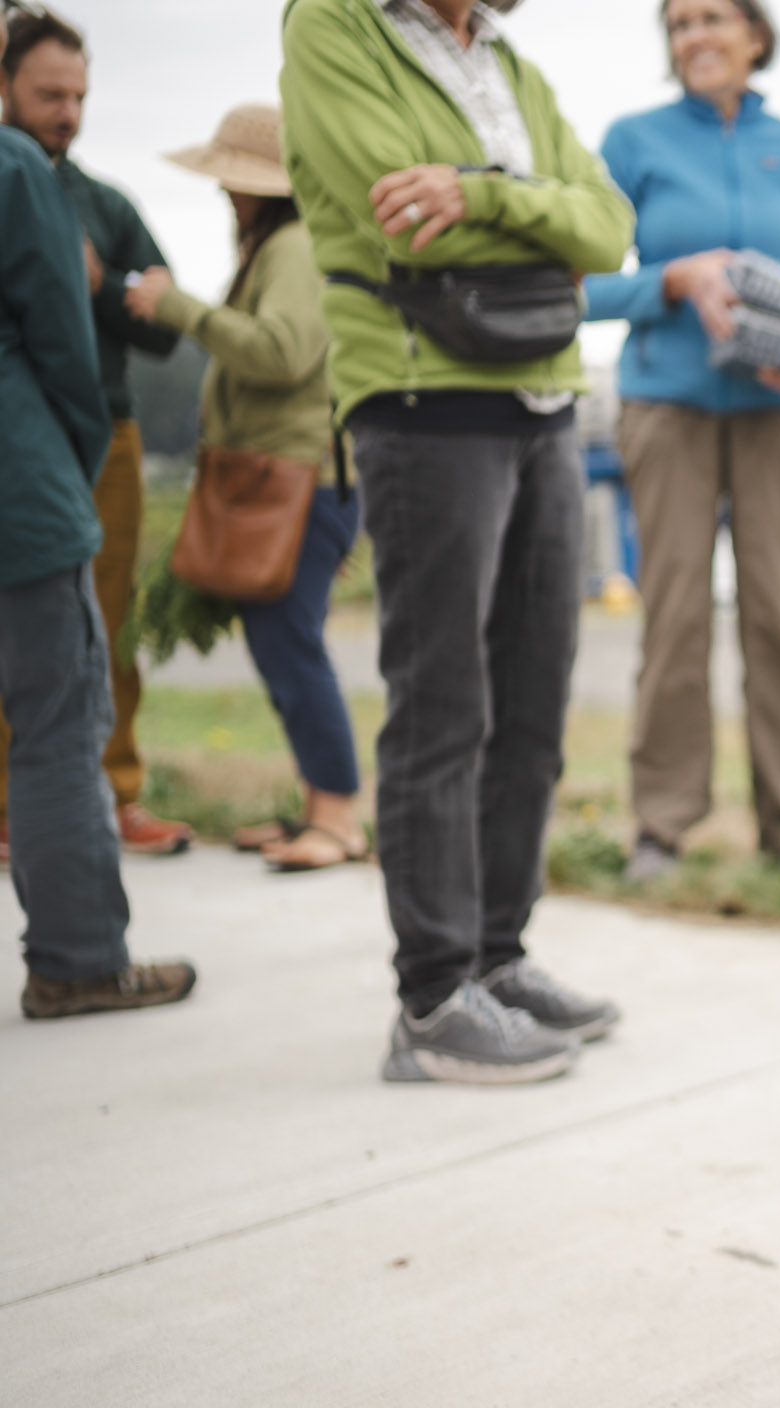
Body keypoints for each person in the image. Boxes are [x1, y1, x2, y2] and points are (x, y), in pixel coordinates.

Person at [281, 0, 632, 1082]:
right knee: (443, 703)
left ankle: (496, 955)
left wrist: (477, 193)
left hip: (543, 398)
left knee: (531, 703)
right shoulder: (334, 25)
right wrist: (544, 225)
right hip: (423, 397)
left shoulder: (506, 58)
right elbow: (401, 222)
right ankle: (434, 1002)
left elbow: (609, 228)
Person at [585, 0, 780, 879]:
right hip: (667, 410)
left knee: (778, 616)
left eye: (713, 17)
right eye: (680, 22)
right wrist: (673, 278)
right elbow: (581, 285)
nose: (695, 35)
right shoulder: (633, 142)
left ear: (754, 35)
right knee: (676, 618)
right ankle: (662, 825)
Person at [0, 16, 196, 1021]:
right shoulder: (17, 173)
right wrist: (62, 468)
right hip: (26, 476)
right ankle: (77, 957)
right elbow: (65, 350)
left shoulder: (106, 201)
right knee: (59, 716)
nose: (67, 113)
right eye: (48, 93)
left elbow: (150, 311)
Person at [122, 104, 368, 874]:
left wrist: (177, 308)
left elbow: (282, 352)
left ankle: (337, 818)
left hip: (295, 483)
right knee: (282, 645)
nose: (225, 194)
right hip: (295, 481)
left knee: (291, 647)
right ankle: (319, 806)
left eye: (233, 180)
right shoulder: (286, 244)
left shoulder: (293, 246)